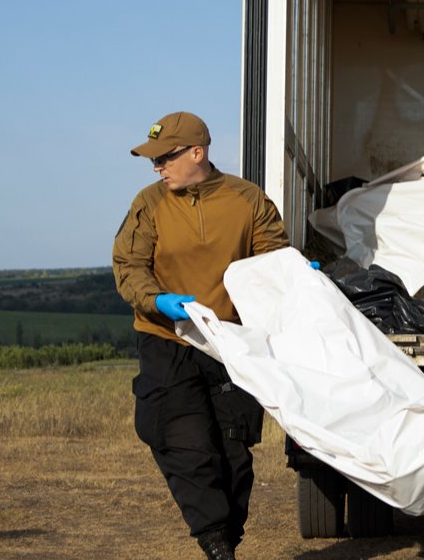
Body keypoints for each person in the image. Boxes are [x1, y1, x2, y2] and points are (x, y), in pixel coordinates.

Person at [112, 111, 289, 560]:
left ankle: (224, 537)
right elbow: (129, 267)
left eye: (165, 157)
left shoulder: (247, 201)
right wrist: (157, 301)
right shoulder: (148, 204)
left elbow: (272, 259)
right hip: (167, 338)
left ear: (198, 152)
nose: (158, 167)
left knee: (233, 454)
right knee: (184, 442)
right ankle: (214, 541)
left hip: (228, 343)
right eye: (153, 160)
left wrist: (295, 275)